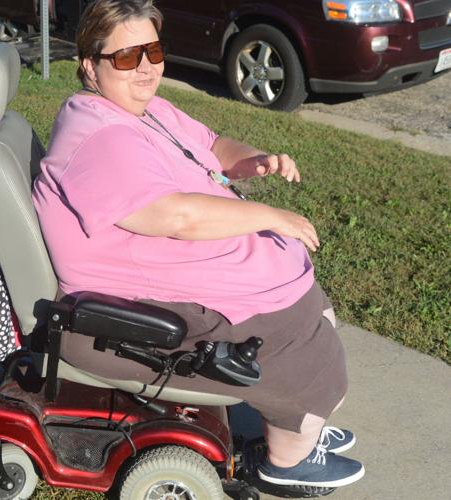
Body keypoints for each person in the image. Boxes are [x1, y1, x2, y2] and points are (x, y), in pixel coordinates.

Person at [32, 0, 364, 489]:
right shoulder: (100, 138)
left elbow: (211, 145)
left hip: (197, 278)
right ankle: (286, 461)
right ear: (89, 65)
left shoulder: (145, 110)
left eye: (153, 50)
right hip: (135, 309)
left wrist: (253, 160)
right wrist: (272, 217)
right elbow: (175, 216)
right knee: (305, 350)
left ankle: (303, 425)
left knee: (313, 313)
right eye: (126, 57)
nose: (146, 67)